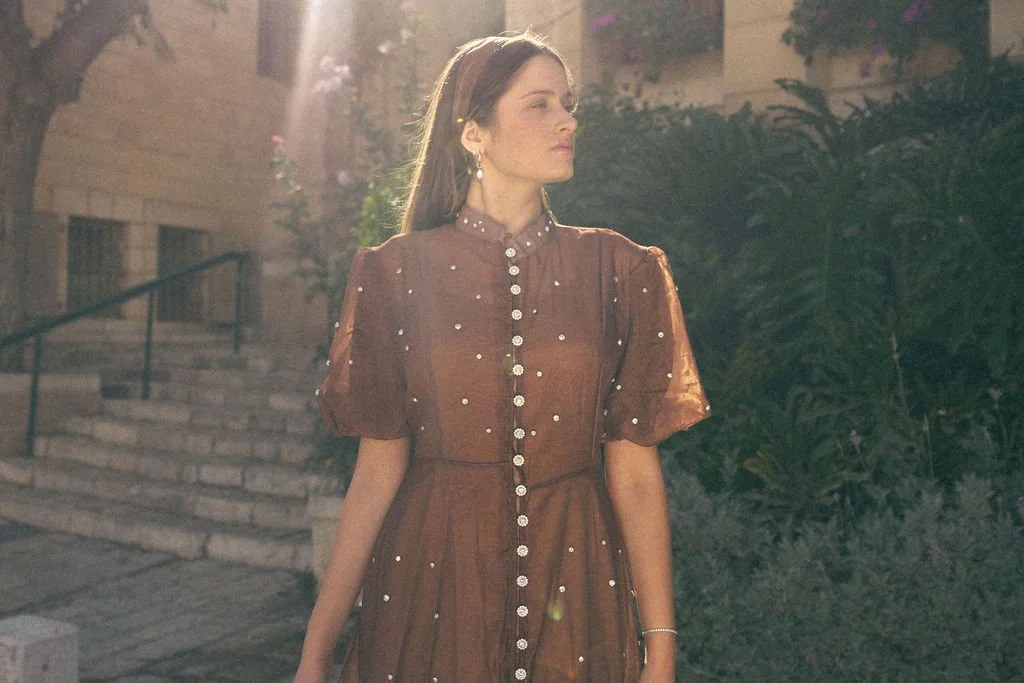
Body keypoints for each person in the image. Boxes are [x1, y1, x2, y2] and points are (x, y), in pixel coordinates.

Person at [294, 31, 710, 683]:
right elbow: (376, 473)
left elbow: (633, 473)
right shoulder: (393, 274)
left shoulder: (621, 270)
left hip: (577, 589)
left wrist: (661, 648)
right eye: (539, 104)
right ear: (474, 133)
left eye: (568, 103)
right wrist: (315, 652)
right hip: (431, 590)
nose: (568, 119)